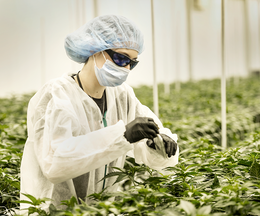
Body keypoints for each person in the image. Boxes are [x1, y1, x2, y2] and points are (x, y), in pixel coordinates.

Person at [20, 14, 179, 212]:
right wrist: (122, 135)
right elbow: (54, 163)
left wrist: (158, 143)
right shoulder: (57, 95)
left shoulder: (122, 96)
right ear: (96, 50)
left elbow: (151, 156)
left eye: (133, 62)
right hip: (57, 210)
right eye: (121, 58)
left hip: (104, 208)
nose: (127, 68)